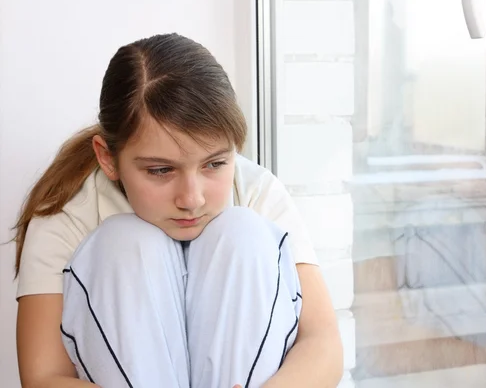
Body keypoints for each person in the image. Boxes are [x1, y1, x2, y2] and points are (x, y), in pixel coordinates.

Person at [13, 33, 343, 388]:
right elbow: (43, 376)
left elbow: (322, 341)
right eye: (160, 170)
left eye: (215, 163)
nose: (192, 198)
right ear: (108, 158)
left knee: (242, 232)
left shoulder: (256, 191)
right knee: (125, 243)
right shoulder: (67, 213)